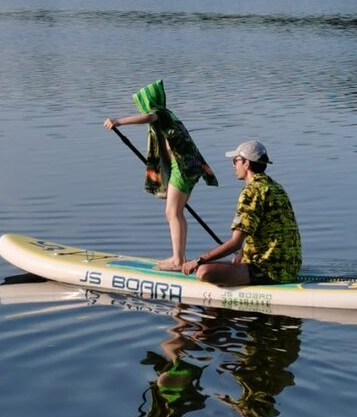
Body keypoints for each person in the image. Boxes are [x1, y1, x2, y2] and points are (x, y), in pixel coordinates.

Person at [104, 79, 217, 272]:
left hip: (183, 167)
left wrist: (118, 122)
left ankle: (178, 260)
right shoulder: (167, 115)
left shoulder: (161, 113)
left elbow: (149, 118)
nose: (143, 109)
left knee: (172, 212)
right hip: (186, 167)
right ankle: (178, 257)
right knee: (175, 212)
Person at [182, 139, 301, 285]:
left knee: (203, 271)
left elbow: (235, 243)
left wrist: (198, 260)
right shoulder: (276, 187)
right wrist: (242, 254)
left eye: (236, 160)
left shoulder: (251, 192)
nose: (233, 165)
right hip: (291, 266)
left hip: (267, 270)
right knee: (233, 261)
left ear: (247, 163)